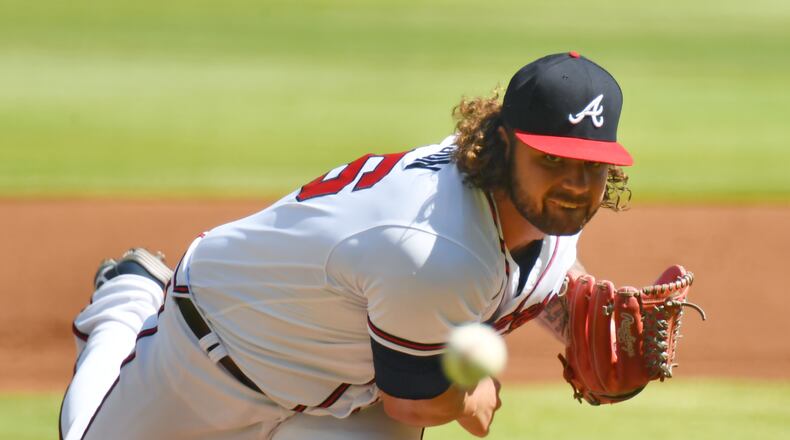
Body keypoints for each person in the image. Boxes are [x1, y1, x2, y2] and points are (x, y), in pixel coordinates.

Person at [59, 51, 633, 439]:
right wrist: (472, 395)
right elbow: (418, 401)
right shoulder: (435, 250)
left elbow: (542, 270)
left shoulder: (543, 206)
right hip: (217, 350)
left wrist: (585, 326)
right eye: (552, 158)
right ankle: (129, 296)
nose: (575, 184)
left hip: (351, 395)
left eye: (592, 165)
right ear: (505, 145)